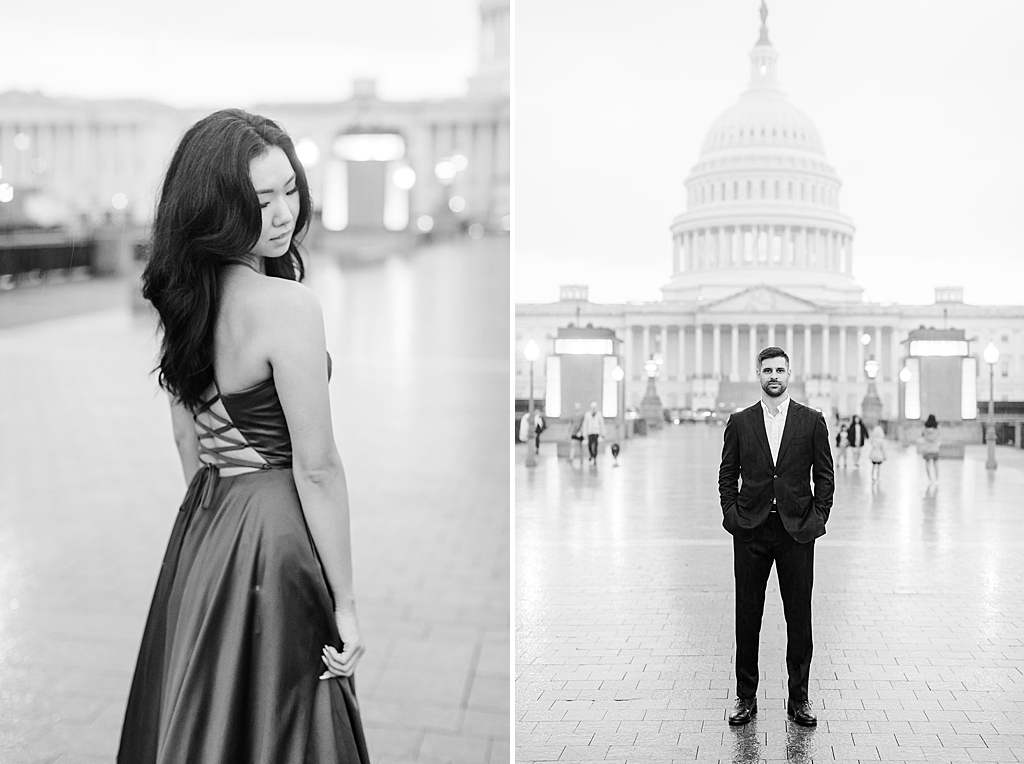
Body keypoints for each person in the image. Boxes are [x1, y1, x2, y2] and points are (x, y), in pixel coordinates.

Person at [118, 110, 369, 763]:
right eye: (262, 200)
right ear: (219, 207)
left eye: (290, 188)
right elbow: (318, 468)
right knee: (284, 717)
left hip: (205, 525)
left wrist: (219, 529)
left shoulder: (183, 302)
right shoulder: (289, 308)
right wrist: (346, 600)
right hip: (277, 530)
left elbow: (187, 441)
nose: (285, 213)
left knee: (207, 706)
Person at [718, 347, 834, 728]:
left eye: (780, 370)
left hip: (796, 531)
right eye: (767, 370)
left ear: (789, 374)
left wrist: (817, 518)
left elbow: (825, 477)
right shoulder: (740, 421)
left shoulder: (811, 421)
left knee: (799, 618)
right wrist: (732, 516)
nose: (774, 376)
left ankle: (799, 699)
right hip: (751, 529)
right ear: (758, 374)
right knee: (747, 617)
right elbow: (727, 474)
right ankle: (745, 698)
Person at [921, 414, 941, 482]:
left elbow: (922, 434)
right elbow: (939, 434)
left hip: (926, 448)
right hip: (935, 448)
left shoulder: (924, 427)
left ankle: (930, 479)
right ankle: (937, 478)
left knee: (927, 464)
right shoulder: (937, 427)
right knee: (936, 464)